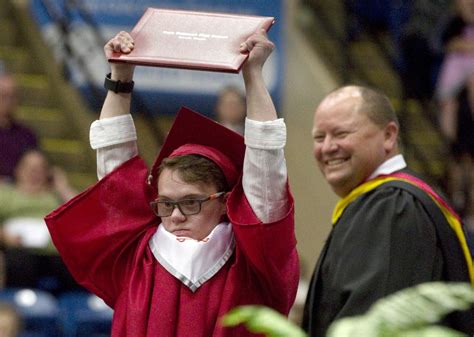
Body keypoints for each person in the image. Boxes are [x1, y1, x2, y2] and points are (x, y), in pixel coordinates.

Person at [45, 29, 299, 337]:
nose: (176, 216)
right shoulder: (137, 256)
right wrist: (120, 77)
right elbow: (114, 165)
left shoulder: (251, 261)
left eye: (191, 202)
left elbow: (265, 172)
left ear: (224, 202)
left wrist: (253, 75)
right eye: (165, 204)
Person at [302, 85, 474, 336]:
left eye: (341, 133)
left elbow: (373, 325)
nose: (327, 147)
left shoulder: (392, 206)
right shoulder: (387, 201)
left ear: (389, 136)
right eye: (319, 137)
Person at [0, 149, 79, 293]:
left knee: (76, 260)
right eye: (29, 168)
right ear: (18, 170)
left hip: (54, 254)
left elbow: (84, 214)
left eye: (40, 169)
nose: (34, 173)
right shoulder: (5, 193)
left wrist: (63, 186)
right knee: (20, 260)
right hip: (19, 250)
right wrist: (3, 235)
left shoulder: (55, 196)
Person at [0, 73, 38, 181]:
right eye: (4, 96)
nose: (8, 101)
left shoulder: (26, 134)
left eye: (12, 96)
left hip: (22, 190)